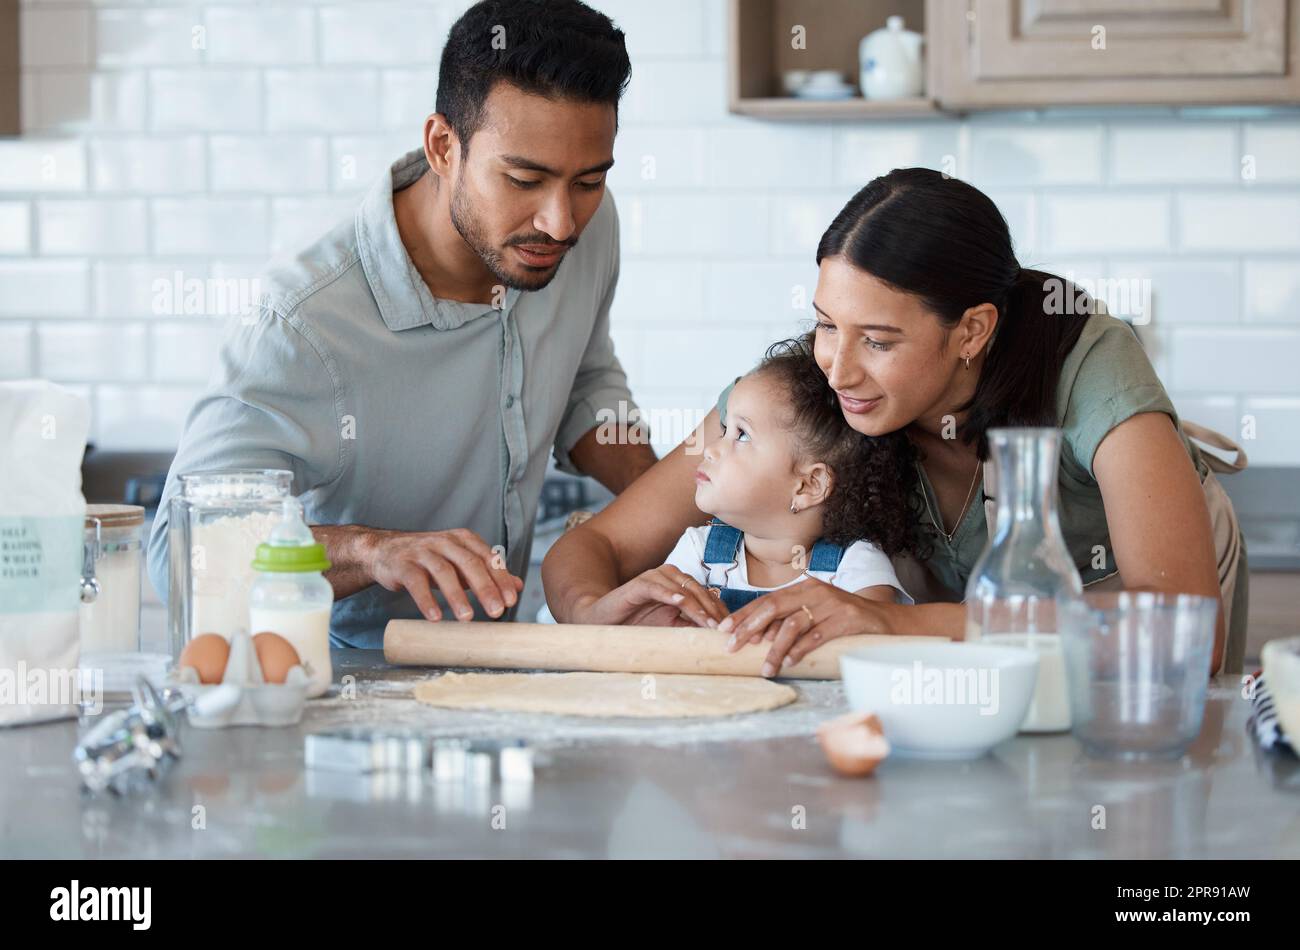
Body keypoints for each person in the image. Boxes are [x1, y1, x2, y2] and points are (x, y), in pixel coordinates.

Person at [543, 168, 1248, 677]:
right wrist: (589, 613)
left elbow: (1183, 634)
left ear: (971, 331)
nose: (838, 369)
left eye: (878, 341)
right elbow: (601, 543)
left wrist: (897, 620)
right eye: (825, 325)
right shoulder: (804, 395)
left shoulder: (1089, 363)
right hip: (962, 625)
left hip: (1122, 603)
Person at [148, 0, 657, 648]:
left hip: (498, 667)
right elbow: (182, 554)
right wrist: (372, 551)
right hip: (336, 687)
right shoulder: (303, 323)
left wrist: (666, 499)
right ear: (443, 146)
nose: (560, 221)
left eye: (588, 181)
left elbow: (583, 378)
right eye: (524, 178)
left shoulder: (583, 228)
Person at [655, 338, 914, 633]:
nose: (710, 449)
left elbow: (877, 639)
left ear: (808, 485)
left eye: (742, 435)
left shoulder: (856, 565)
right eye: (725, 430)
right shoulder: (697, 553)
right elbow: (663, 633)